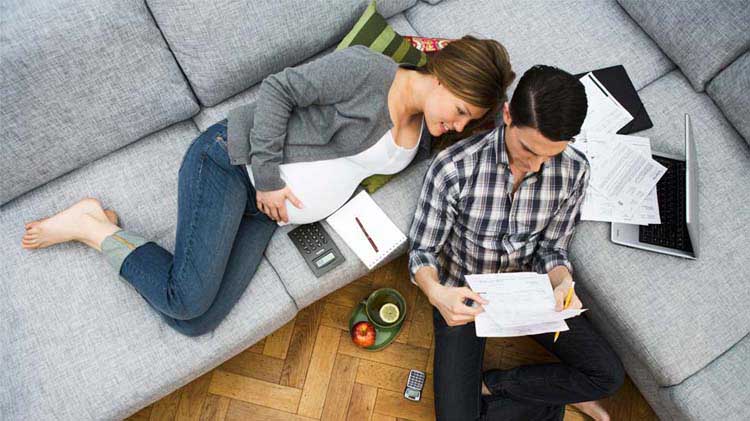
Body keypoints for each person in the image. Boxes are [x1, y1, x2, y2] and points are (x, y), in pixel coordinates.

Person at [21, 36, 515, 337]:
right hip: (232, 164)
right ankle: (89, 227)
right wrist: (272, 180)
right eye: (461, 112)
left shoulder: (427, 128)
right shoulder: (368, 70)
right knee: (186, 300)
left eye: (467, 120)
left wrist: (505, 122)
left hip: (264, 213)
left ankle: (103, 227)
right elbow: (278, 89)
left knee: (196, 322)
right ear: (448, 80)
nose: (457, 124)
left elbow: (483, 146)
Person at [408, 65, 625, 421]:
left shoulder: (574, 169)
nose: (537, 165)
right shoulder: (454, 168)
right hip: (464, 294)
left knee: (607, 376)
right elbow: (422, 252)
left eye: (550, 155)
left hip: (529, 292)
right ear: (508, 115)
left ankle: (498, 385)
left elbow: (553, 248)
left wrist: (562, 283)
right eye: (528, 148)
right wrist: (436, 293)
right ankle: (549, 397)